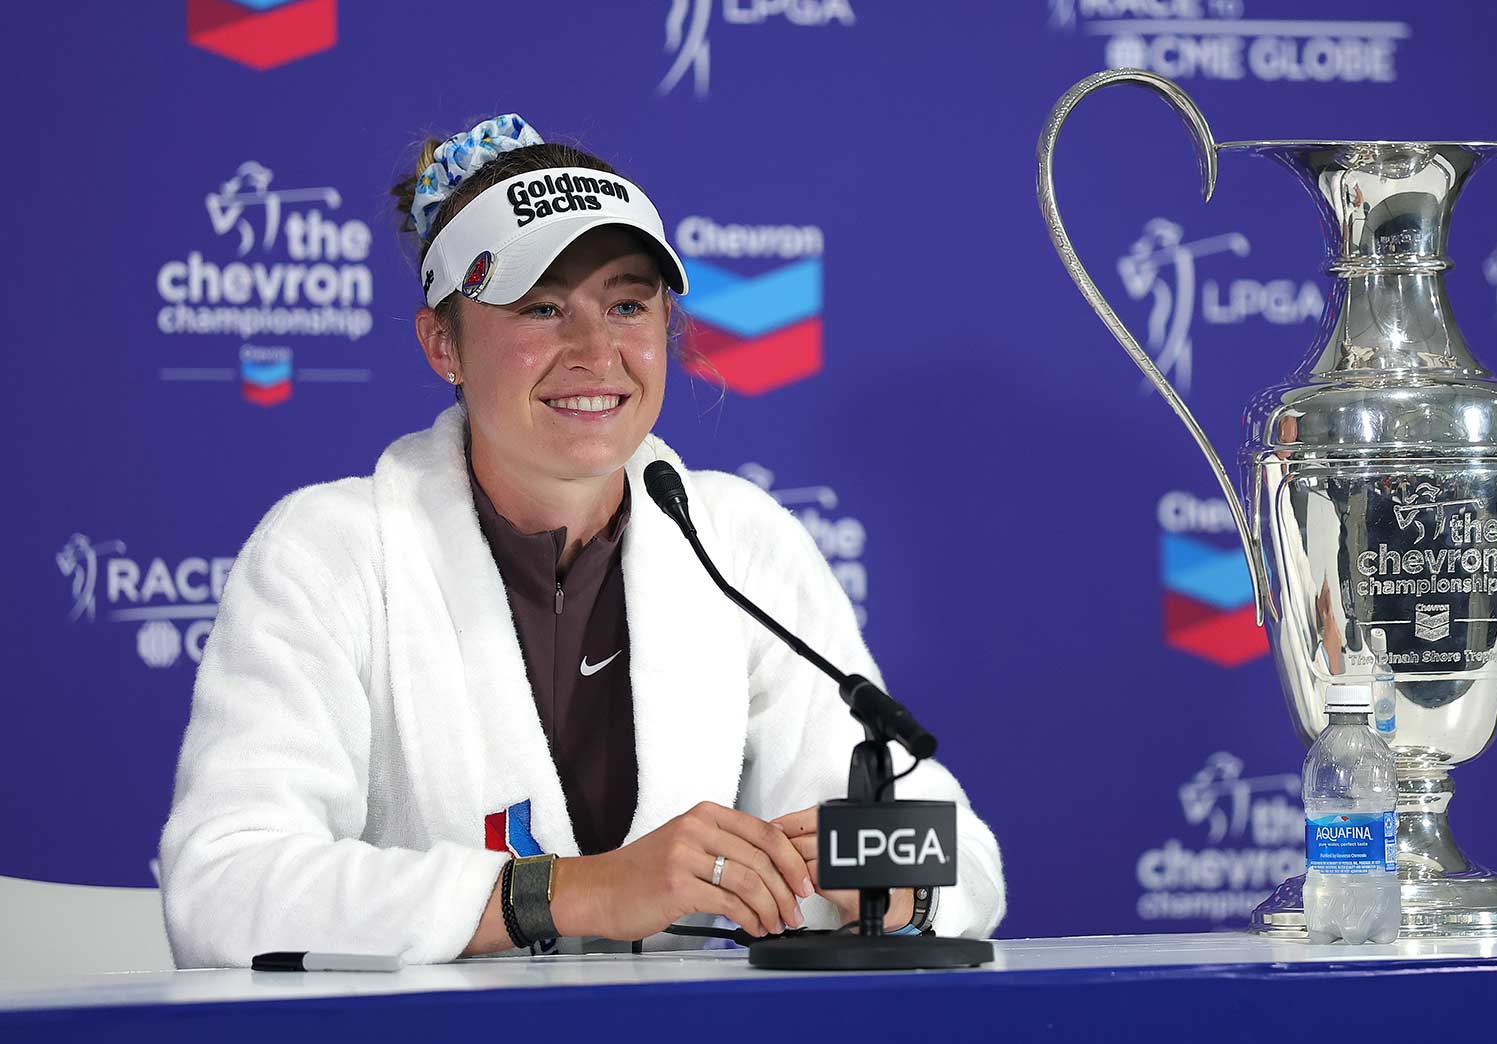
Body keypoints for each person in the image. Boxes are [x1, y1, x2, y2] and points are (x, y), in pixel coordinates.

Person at [157, 115, 1006, 966]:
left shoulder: (741, 539)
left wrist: (883, 887)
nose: (597, 352)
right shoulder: (328, 551)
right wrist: (577, 891)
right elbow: (224, 887)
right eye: (543, 308)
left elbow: (960, 857)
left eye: (627, 304)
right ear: (441, 343)